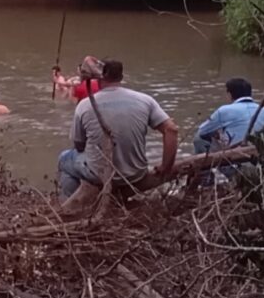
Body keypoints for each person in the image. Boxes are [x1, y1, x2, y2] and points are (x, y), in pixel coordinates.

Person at [57, 60, 179, 199]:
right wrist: (166, 166)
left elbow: (78, 145)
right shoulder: (145, 100)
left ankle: (69, 205)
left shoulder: (85, 105)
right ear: (121, 77)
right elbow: (171, 130)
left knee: (64, 159)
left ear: (100, 77)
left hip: (100, 175)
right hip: (136, 173)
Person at [194, 78, 264, 153]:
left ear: (229, 94)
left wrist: (215, 134)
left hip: (235, 154)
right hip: (259, 153)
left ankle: (210, 164)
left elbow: (202, 131)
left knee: (198, 137)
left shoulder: (224, 110)